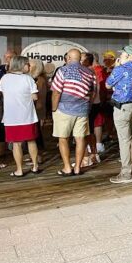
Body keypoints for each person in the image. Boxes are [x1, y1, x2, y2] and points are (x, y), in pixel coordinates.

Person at [51, 48, 96, 176]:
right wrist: (88, 106)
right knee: (80, 139)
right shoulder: (89, 72)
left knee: (63, 138)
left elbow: (56, 92)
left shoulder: (63, 71)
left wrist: (54, 108)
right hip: (82, 109)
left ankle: (67, 167)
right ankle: (77, 167)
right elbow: (92, 93)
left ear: (69, 58)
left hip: (64, 108)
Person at [107, 45, 132, 184]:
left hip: (123, 107)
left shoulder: (121, 69)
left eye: (122, 55)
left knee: (124, 140)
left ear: (129, 56)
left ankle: (126, 173)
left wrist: (116, 67)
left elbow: (107, 84)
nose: (120, 57)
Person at [0, 56, 41, 177]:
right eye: (28, 64)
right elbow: (35, 97)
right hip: (28, 116)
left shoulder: (5, 78)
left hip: (11, 118)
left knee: (16, 144)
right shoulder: (28, 79)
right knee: (31, 141)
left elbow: (2, 93)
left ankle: (19, 170)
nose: (29, 66)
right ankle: (35, 166)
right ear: (21, 65)